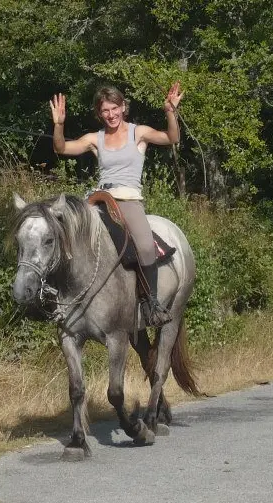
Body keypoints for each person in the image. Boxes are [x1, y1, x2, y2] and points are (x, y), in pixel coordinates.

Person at [49, 82, 184, 327]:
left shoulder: (138, 133)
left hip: (129, 200)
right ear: (99, 114)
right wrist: (59, 125)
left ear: (123, 107)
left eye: (114, 108)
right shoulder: (95, 139)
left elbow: (172, 137)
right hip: (100, 199)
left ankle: (151, 303)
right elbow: (61, 148)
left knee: (144, 247)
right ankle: (59, 297)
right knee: (68, 234)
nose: (111, 115)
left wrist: (170, 112)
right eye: (105, 111)